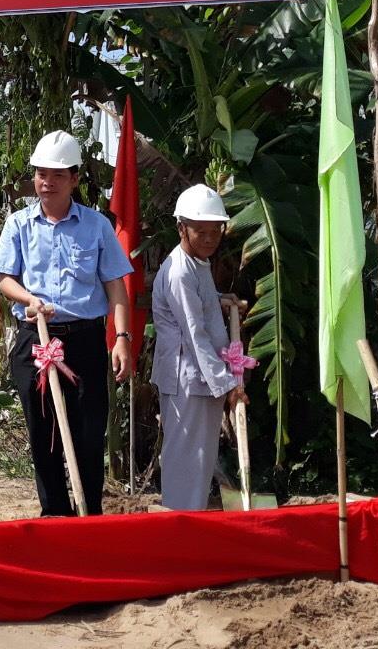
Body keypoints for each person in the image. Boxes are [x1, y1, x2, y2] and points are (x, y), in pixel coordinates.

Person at [0, 130, 134, 517]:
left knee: (88, 433)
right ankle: (54, 515)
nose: (47, 182)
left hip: (84, 341)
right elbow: (4, 278)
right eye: (41, 174)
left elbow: (116, 286)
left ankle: (89, 515)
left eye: (57, 175)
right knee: (43, 433)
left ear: (74, 179)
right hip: (35, 339)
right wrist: (29, 300)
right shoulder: (19, 224)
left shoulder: (96, 226)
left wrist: (121, 338)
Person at [152, 184, 249, 510]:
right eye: (201, 231)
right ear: (182, 228)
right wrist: (229, 384)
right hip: (188, 379)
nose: (210, 238)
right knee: (187, 460)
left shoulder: (195, 263)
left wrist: (218, 300)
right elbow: (195, 335)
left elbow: (197, 305)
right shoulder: (180, 271)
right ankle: (180, 524)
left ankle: (188, 522)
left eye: (215, 231)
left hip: (200, 378)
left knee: (200, 459)